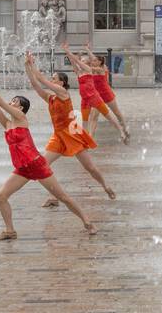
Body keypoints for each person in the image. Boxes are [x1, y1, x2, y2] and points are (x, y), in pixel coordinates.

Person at [0, 65, 96, 240]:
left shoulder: (21, 119)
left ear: (20, 108)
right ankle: (10, 230)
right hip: (22, 168)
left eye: (15, 101)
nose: (11, 102)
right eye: (12, 100)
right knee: (1, 196)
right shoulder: (7, 124)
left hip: (36, 165)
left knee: (63, 197)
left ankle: (86, 220)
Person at [25, 51, 118, 207]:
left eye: (54, 78)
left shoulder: (63, 93)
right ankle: (54, 197)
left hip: (72, 134)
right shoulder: (51, 98)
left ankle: (105, 186)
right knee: (42, 165)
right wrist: (27, 67)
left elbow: (41, 79)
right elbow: (36, 84)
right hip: (59, 136)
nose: (51, 80)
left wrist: (32, 63)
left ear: (61, 83)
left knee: (90, 168)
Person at [63, 43, 129, 144]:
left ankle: (123, 130)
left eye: (84, 61)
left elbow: (78, 61)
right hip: (87, 98)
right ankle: (89, 139)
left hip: (101, 95)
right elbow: (74, 62)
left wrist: (69, 53)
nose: (82, 62)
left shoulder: (96, 69)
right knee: (90, 118)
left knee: (114, 114)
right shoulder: (80, 72)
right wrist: (83, 50)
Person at [84, 46, 130, 140]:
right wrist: (87, 49)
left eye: (95, 61)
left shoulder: (102, 68)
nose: (93, 61)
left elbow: (90, 67)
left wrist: (80, 62)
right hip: (97, 95)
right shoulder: (96, 66)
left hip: (106, 94)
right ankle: (91, 137)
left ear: (100, 62)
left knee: (116, 112)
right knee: (94, 116)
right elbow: (92, 58)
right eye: (93, 61)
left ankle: (125, 128)